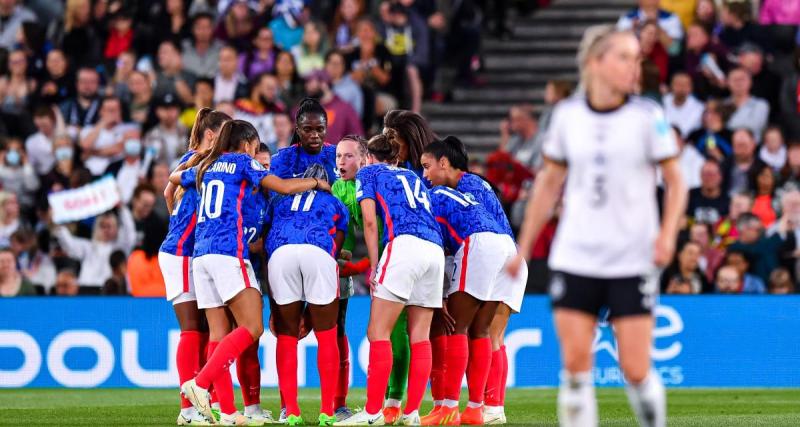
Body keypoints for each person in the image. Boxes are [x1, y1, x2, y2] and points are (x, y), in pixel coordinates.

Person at [506, 26, 687, 427]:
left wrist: (667, 234)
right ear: (596, 62)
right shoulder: (568, 116)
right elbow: (548, 184)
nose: (634, 67)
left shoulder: (648, 115)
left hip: (631, 257)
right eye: (624, 57)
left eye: (636, 58)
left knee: (636, 370)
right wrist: (524, 247)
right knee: (574, 369)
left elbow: (676, 181)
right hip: (576, 255)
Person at [175, 120, 329, 425]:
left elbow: (175, 177)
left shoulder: (207, 165)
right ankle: (200, 383)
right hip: (228, 253)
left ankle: (229, 412)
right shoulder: (242, 162)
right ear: (246, 144)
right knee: (252, 327)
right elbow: (282, 186)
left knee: (218, 334)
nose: (255, 151)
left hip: (201, 256)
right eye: (255, 145)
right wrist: (315, 184)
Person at [334, 133, 444, 426]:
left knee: (378, 332)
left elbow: (370, 222)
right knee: (420, 336)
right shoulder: (412, 176)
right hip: (434, 249)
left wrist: (374, 263)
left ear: (368, 156)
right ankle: (412, 413)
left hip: (403, 245)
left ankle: (372, 413)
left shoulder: (369, 172)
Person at [420, 136, 524, 425]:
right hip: (507, 250)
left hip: (485, 248)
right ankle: (486, 408)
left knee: (460, 328)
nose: (425, 175)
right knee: (487, 334)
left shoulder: (462, 187)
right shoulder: (476, 186)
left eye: (427, 167)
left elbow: (449, 237)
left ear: (444, 162)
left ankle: (449, 409)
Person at [158, 108, 233, 426]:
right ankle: (188, 409)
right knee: (193, 330)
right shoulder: (203, 160)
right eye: (227, 137)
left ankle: (203, 403)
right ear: (213, 135)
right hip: (183, 252)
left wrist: (177, 220)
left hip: (181, 249)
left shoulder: (190, 158)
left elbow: (167, 192)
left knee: (203, 330)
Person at [266, 164, 348, 427]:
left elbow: (268, 236)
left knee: (287, 337)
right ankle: (327, 412)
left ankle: (291, 412)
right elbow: (335, 246)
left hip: (280, 255)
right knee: (327, 336)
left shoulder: (281, 199)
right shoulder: (335, 202)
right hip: (317, 252)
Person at [330, 135, 371, 421]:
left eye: (348, 156)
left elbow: (377, 227)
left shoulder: (374, 181)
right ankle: (338, 404)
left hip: (398, 256)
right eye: (338, 157)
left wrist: (368, 265)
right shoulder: (339, 188)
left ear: (364, 158)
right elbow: (342, 228)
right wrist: (343, 253)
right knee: (337, 331)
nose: (341, 162)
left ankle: (394, 402)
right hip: (368, 261)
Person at [53, 208, 137, 291]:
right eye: (102, 226)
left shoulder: (120, 247)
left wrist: (122, 209)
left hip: (111, 291)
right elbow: (69, 244)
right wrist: (57, 222)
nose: (106, 230)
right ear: (96, 228)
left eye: (109, 226)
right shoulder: (88, 246)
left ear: (116, 229)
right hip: (87, 289)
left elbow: (130, 234)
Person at [271, 98, 338, 184]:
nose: (315, 135)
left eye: (320, 129)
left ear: (326, 129)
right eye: (307, 130)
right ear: (298, 131)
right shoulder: (283, 159)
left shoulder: (338, 155)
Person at [79, 96, 139, 177]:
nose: (112, 113)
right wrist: (102, 123)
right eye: (109, 110)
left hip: (117, 172)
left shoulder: (129, 128)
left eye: (115, 110)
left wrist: (91, 152)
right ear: (101, 111)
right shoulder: (88, 129)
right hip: (91, 173)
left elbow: (118, 149)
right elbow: (85, 145)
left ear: (120, 111)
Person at [304, 70, 363, 145]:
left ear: (323, 83)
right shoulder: (305, 109)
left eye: (310, 82)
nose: (306, 86)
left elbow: (358, 140)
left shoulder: (345, 109)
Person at [144, 93, 189, 167]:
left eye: (173, 108)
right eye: (165, 109)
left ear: (179, 110)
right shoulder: (151, 135)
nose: (169, 113)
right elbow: (149, 162)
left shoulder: (188, 132)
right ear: (157, 111)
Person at [725, 68, 769, 142]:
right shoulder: (721, 104)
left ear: (750, 82)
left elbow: (753, 127)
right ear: (727, 82)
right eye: (734, 79)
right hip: (725, 148)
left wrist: (726, 126)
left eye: (742, 79)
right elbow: (712, 130)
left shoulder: (761, 104)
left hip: (753, 149)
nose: (738, 83)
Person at [60, 67, 101, 139]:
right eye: (84, 81)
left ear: (98, 84)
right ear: (77, 84)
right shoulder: (65, 106)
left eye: (92, 82)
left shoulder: (106, 105)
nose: (88, 86)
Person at [181, 12, 223, 79]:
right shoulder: (183, 47)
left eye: (207, 27)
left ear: (213, 29)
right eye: (199, 27)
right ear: (193, 29)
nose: (203, 31)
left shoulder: (221, 49)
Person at [663, 72, 704, 138]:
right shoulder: (661, 103)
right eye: (678, 84)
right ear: (671, 86)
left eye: (685, 84)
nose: (682, 88)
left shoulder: (700, 108)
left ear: (691, 88)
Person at [687, 160, 729, 225]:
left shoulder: (728, 201)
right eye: (705, 174)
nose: (708, 178)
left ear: (720, 177)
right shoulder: (689, 196)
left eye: (712, 175)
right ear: (700, 176)